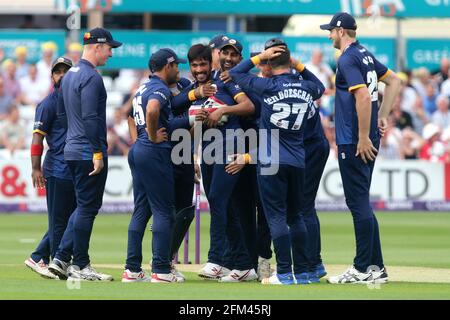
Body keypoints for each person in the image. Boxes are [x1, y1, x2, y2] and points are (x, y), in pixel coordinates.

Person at [229, 45, 325, 285]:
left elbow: (237, 73)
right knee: (296, 216)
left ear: (270, 65)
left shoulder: (267, 86)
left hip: (272, 161)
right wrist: (298, 65)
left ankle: (283, 273)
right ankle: (303, 272)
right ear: (290, 62)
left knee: (276, 218)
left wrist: (260, 57)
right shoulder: (307, 87)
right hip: (297, 160)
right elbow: (321, 86)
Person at [320, 12, 401, 284]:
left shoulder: (347, 57)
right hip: (361, 136)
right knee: (362, 201)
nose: (329, 35)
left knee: (356, 202)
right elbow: (395, 81)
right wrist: (384, 115)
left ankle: (362, 267)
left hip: (353, 138)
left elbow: (363, 96)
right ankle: (376, 266)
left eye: (331, 31)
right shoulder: (365, 53)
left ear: (341, 31)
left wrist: (363, 136)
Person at [48, 28, 122, 282]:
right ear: (97, 47)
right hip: (87, 151)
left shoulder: (69, 76)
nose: (111, 53)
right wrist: (98, 151)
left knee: (82, 206)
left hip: (72, 149)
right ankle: (77, 263)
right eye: (110, 48)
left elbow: (63, 115)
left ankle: (63, 259)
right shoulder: (91, 77)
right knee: (88, 207)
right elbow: (91, 117)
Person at [123, 48, 185, 283]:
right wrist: (151, 135)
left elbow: (129, 116)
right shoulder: (160, 89)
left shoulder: (142, 88)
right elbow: (152, 110)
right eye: (176, 65)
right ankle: (160, 269)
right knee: (163, 211)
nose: (178, 69)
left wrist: (139, 139)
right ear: (167, 66)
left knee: (141, 210)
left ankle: (132, 269)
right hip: (154, 151)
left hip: (139, 150)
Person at [24, 57, 76, 279]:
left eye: (66, 71)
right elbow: (37, 140)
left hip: (74, 167)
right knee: (60, 220)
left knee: (71, 217)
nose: (62, 75)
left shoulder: (77, 101)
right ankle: (56, 261)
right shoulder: (48, 104)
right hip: (56, 168)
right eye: (58, 72)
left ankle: (38, 256)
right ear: (52, 76)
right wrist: (36, 169)